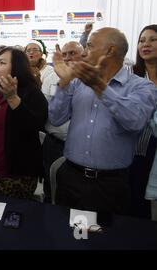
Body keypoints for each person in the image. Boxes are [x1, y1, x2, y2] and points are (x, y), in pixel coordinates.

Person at [49, 27, 157, 215]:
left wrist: (99, 86)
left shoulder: (142, 87)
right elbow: (55, 118)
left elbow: (135, 121)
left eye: (89, 46)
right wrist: (64, 82)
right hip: (70, 176)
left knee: (105, 240)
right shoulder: (77, 82)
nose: (84, 52)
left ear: (110, 51)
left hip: (110, 184)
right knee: (64, 237)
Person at [0, 47, 48, 199]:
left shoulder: (32, 92)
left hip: (17, 175)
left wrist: (12, 98)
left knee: (12, 219)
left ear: (17, 67)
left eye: (2, 63)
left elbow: (36, 124)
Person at [42, 41, 84, 202]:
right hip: (54, 144)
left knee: (76, 192)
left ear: (84, 54)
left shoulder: (90, 78)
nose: (67, 58)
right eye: (64, 54)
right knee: (51, 187)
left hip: (82, 147)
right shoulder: (51, 77)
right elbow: (45, 108)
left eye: (72, 53)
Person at [129, 25, 157, 218]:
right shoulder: (131, 75)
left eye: (152, 39)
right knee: (134, 202)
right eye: (141, 40)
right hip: (134, 148)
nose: (145, 44)